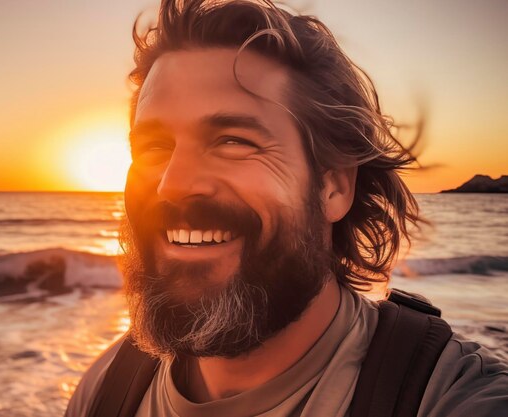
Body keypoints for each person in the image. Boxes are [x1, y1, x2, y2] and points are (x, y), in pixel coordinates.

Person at [65, 1, 508, 416]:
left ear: (334, 187)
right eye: (155, 147)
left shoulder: (446, 394)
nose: (173, 185)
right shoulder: (107, 389)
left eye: (233, 141)